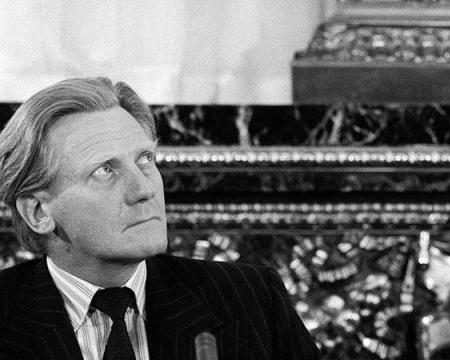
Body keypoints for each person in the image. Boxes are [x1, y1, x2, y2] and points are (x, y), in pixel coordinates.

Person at [0, 77, 320, 360]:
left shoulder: (252, 299)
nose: (144, 189)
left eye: (145, 159)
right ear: (38, 212)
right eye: (104, 170)